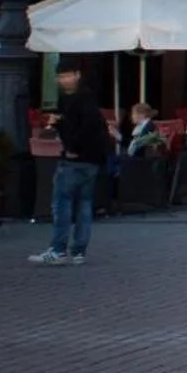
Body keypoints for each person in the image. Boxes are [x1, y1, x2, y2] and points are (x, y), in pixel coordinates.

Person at [31, 58, 111, 266]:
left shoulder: (77, 100)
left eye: (66, 75)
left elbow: (85, 128)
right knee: (84, 204)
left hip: (76, 159)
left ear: (77, 75)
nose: (63, 80)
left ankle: (59, 249)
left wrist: (70, 143)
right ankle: (79, 251)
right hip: (92, 161)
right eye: (60, 76)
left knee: (62, 203)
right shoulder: (88, 98)